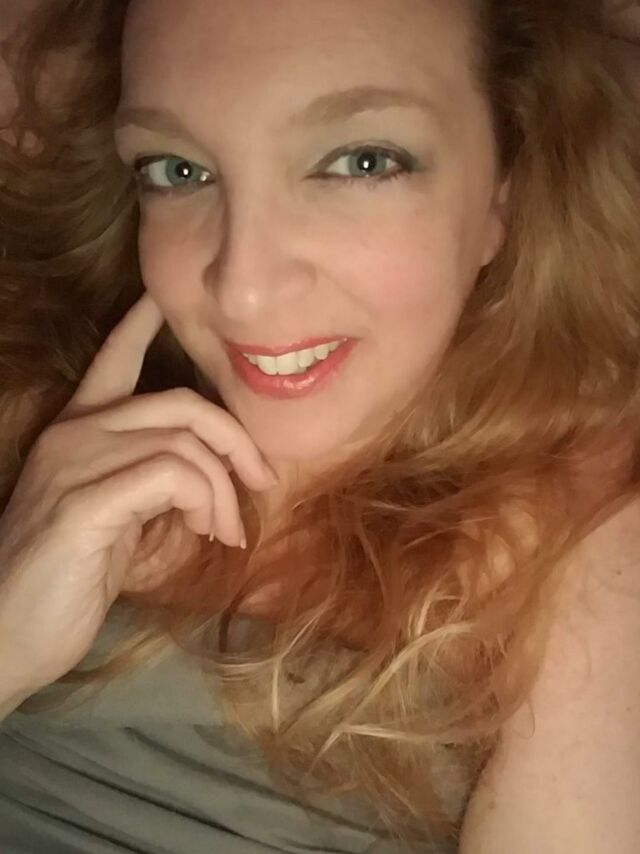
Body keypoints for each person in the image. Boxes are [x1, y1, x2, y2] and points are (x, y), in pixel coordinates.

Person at [0, 0, 638, 852]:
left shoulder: (582, 536)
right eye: (177, 169)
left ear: (504, 191)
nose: (242, 288)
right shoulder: (39, 404)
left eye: (361, 161)